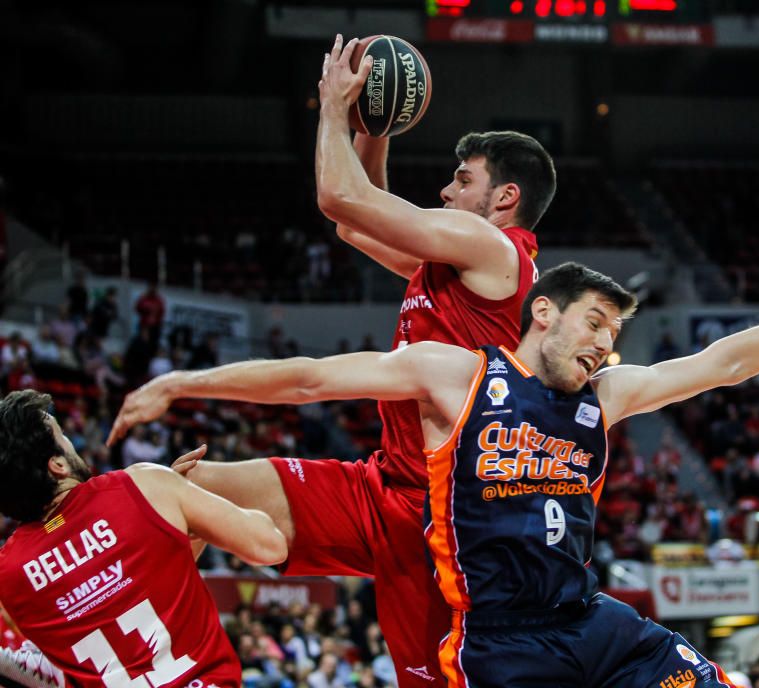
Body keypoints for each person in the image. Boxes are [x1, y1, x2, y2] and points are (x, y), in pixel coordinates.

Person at [110, 263, 759, 686]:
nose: (606, 343)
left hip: (595, 623)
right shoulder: (455, 376)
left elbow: (720, 365)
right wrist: (185, 384)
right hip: (501, 647)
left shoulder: (604, 398)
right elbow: (313, 378)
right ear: (544, 313)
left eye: (615, 331)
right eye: (595, 323)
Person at [107, 35, 556, 688]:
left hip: (445, 518)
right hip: (383, 487)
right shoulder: (456, 262)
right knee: (183, 486)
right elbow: (359, 223)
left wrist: (332, 108)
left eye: (463, 180)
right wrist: (375, 130)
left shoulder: (494, 249)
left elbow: (338, 200)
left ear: (506, 198)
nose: (445, 189)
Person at [0, 389, 287, 687]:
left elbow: (134, 593)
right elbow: (270, 545)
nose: (74, 444)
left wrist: (175, 521)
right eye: (64, 438)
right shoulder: (142, 484)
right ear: (57, 466)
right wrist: (186, 499)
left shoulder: (9, 575)